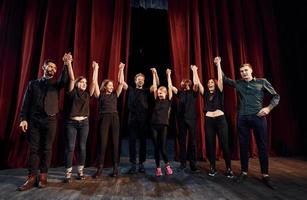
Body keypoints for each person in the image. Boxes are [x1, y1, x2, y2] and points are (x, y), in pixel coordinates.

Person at [223, 62, 280, 187]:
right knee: (243, 146)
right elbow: (224, 79)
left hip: (258, 117)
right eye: (241, 71)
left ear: (251, 70)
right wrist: (218, 64)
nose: (243, 73)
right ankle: (243, 172)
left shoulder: (262, 82)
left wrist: (268, 108)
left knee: (262, 146)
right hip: (242, 118)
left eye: (246, 70)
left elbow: (276, 96)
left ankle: (265, 175)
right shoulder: (238, 83)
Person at [18, 55, 69, 191]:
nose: (52, 69)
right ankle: (31, 177)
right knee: (33, 149)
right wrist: (23, 118)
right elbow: (25, 103)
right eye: (50, 66)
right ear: (43, 67)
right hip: (34, 121)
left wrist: (65, 64)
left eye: (54, 67)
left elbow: (65, 80)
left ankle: (43, 176)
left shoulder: (56, 85)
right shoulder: (33, 84)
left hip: (50, 120)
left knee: (47, 149)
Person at [192, 57, 233, 178]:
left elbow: (220, 78)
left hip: (220, 120)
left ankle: (229, 168)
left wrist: (218, 64)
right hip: (209, 120)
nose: (210, 84)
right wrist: (194, 71)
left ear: (215, 85)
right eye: (208, 83)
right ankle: (213, 168)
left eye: (211, 83)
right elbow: (197, 83)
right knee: (210, 144)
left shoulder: (219, 92)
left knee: (225, 144)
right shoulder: (205, 94)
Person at [91, 62, 126, 178]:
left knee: (115, 143)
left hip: (114, 118)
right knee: (102, 143)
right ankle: (100, 168)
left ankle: (115, 168)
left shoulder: (115, 94)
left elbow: (121, 82)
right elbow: (94, 82)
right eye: (109, 85)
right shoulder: (100, 94)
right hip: (104, 118)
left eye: (112, 85)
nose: (111, 87)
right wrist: (96, 68)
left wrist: (121, 69)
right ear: (105, 86)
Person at [63, 53, 91, 183]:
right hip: (71, 123)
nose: (84, 84)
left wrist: (95, 69)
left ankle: (80, 172)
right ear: (77, 83)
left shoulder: (86, 94)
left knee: (82, 147)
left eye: (86, 82)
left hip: (84, 122)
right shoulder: (72, 92)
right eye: (82, 82)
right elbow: (72, 79)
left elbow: (95, 83)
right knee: (70, 147)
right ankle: (68, 173)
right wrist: (69, 64)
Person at [122, 72, 157, 174]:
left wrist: (154, 74)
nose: (140, 80)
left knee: (143, 142)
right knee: (132, 142)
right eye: (139, 79)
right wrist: (121, 69)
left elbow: (154, 86)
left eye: (142, 79)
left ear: (144, 81)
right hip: (132, 119)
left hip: (143, 120)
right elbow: (122, 82)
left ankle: (141, 163)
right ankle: (133, 164)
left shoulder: (146, 91)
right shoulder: (131, 89)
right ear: (135, 81)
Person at [171, 71, 199, 172]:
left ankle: (193, 164)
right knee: (182, 142)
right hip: (181, 120)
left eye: (187, 83)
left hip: (191, 119)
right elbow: (171, 87)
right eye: (184, 83)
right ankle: (183, 163)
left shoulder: (194, 92)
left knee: (192, 142)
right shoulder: (180, 93)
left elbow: (196, 84)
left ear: (189, 84)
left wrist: (195, 71)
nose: (186, 84)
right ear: (182, 85)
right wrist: (169, 75)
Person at [150, 68, 174, 177]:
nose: (159, 94)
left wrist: (168, 75)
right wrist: (154, 73)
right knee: (156, 148)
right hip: (154, 125)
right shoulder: (156, 100)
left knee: (163, 148)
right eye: (158, 93)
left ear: (165, 93)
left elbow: (169, 87)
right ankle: (158, 168)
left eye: (161, 93)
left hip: (163, 126)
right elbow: (155, 86)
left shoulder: (168, 100)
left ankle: (167, 166)